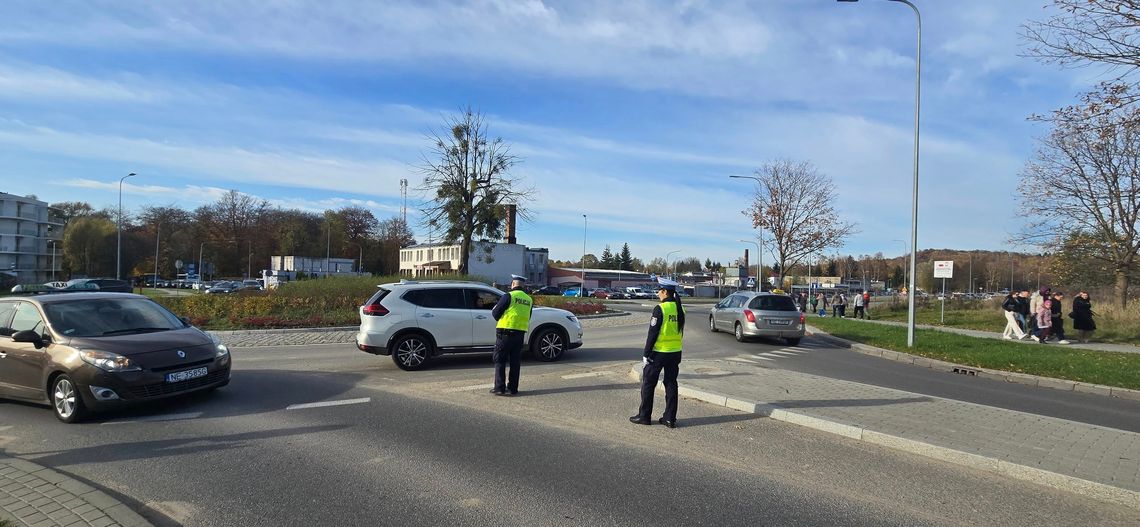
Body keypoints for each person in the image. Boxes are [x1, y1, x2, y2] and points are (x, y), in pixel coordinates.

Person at [631, 277, 685, 428]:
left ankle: (644, 416)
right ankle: (669, 418)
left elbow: (652, 333)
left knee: (648, 383)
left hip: (659, 353)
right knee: (671, 384)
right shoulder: (681, 309)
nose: (658, 294)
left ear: (665, 291)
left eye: (659, 291)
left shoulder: (660, 309)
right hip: (675, 352)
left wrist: (646, 354)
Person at [490, 274, 533, 396]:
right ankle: (513, 388)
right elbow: (528, 316)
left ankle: (499, 388)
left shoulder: (508, 296)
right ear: (523, 286)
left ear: (512, 284)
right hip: (519, 334)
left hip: (505, 333)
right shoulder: (528, 300)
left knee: (499, 360)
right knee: (515, 362)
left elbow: (496, 314)